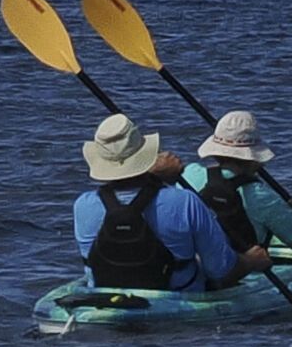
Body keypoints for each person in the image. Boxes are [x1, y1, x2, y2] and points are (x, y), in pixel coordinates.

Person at [73, 117, 246, 296]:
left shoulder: (82, 205)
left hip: (105, 297)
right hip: (177, 299)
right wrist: (251, 262)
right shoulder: (186, 201)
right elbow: (220, 269)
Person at [188, 110, 292, 273]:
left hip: (196, 265)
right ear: (254, 159)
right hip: (239, 271)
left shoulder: (189, 174)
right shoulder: (261, 195)